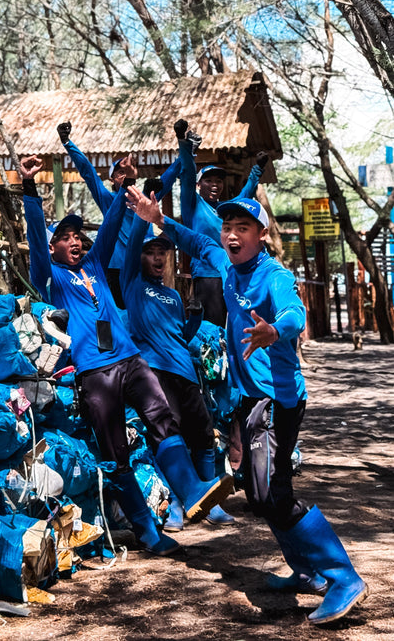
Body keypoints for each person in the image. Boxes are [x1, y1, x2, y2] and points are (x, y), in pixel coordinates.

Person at [126, 186, 369, 625]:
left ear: (261, 233)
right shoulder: (226, 262)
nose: (232, 235)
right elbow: (194, 241)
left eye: (243, 228)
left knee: (273, 494)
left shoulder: (272, 274)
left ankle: (342, 577)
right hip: (250, 400)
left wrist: (276, 332)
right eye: (228, 227)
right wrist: (157, 218)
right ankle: (307, 570)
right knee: (260, 493)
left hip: (277, 400)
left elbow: (294, 312)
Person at [19, 151, 233, 558]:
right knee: (115, 453)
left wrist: (123, 187)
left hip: (131, 360)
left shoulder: (97, 265)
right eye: (66, 237)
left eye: (79, 236)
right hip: (94, 374)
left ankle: (191, 492)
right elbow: (34, 234)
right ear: (53, 247)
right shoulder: (51, 277)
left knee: (161, 417)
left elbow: (118, 224)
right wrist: (30, 189)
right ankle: (148, 533)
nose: (77, 241)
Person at [120, 211, 235, 529]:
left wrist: (194, 320)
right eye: (150, 252)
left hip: (186, 370)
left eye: (162, 252)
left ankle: (210, 503)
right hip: (155, 371)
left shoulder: (172, 294)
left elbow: (180, 336)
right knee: (168, 438)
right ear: (140, 256)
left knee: (203, 436)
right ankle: (171, 505)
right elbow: (131, 246)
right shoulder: (132, 284)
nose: (157, 258)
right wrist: (143, 212)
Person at [56, 120, 181, 307]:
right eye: (119, 172)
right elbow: (88, 172)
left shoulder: (145, 199)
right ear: (112, 179)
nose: (123, 175)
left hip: (142, 267)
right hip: (115, 269)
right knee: (119, 315)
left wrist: (186, 150)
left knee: (145, 313)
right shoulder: (109, 200)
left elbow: (168, 178)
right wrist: (68, 143)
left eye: (127, 172)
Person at [175, 118, 268, 326]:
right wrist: (183, 143)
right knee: (211, 326)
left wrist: (257, 170)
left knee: (238, 324)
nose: (215, 184)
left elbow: (245, 196)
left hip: (232, 272)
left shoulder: (225, 209)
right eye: (209, 180)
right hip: (208, 276)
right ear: (199, 184)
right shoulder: (193, 203)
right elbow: (188, 173)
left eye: (218, 180)